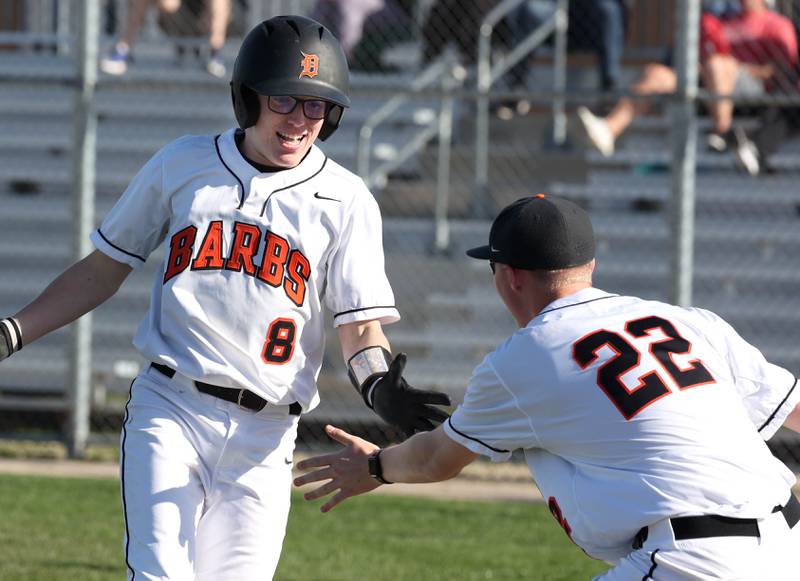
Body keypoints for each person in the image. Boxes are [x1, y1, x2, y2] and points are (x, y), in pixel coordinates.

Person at [0, 15, 450, 580]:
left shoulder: (346, 199)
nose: (300, 120)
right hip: (173, 408)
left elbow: (360, 329)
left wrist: (380, 386)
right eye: (285, 100)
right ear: (248, 98)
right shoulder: (183, 164)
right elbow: (102, 270)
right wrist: (14, 331)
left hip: (268, 435)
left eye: (317, 106)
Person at [294, 193, 800, 580]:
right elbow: (793, 408)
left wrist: (376, 466)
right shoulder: (687, 321)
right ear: (590, 267)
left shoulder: (528, 356)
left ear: (510, 277)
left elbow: (434, 460)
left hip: (696, 559)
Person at [577, 0, 797, 157]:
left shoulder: (777, 25)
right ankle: (609, 128)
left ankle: (722, 132)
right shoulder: (723, 21)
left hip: (752, 90)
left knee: (719, 64)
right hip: (707, 82)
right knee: (657, 73)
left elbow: (783, 72)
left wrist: (739, 68)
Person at [100, 0, 232, 78]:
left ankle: (215, 53)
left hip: (210, 20)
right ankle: (124, 49)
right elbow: (168, 5)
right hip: (177, 17)